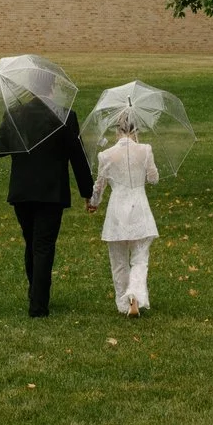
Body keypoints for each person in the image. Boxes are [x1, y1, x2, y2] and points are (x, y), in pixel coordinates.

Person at [6, 104, 93, 318]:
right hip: (51, 191)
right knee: (42, 245)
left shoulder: (16, 113)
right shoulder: (64, 116)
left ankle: (35, 294)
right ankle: (38, 304)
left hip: (23, 190)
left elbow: (0, 148)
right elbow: (77, 154)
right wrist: (88, 191)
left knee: (32, 242)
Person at [89, 112, 161, 316]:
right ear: (136, 130)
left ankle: (124, 303)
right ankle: (135, 294)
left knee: (118, 261)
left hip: (117, 212)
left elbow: (100, 186)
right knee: (140, 258)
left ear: (117, 131)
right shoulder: (145, 150)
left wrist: (94, 203)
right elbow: (153, 178)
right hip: (140, 209)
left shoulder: (106, 155)